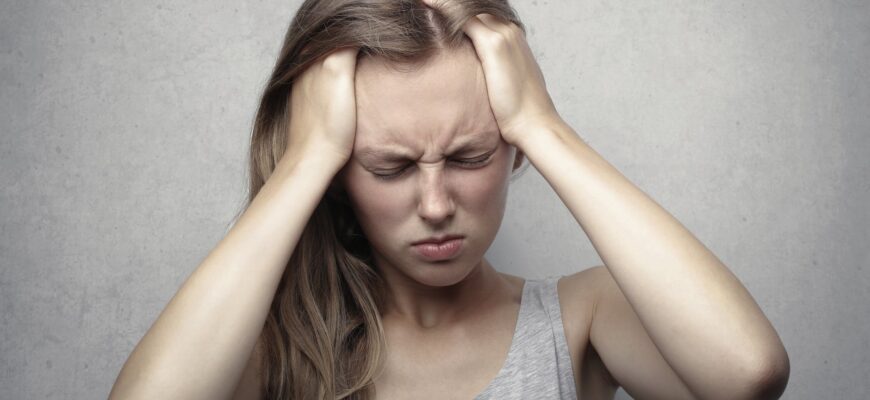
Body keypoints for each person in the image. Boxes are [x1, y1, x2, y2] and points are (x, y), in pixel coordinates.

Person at [109, 0, 790, 399]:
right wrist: (305, 160)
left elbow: (748, 372)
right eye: (390, 166)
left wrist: (543, 126)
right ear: (340, 176)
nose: (436, 204)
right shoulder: (271, 348)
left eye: (469, 156)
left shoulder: (583, 320)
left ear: (513, 147)